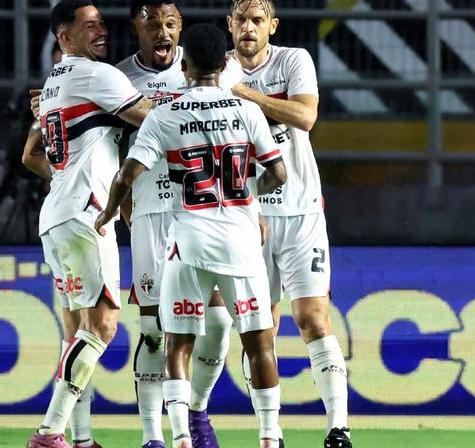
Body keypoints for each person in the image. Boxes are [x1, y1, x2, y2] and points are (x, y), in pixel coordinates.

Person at [95, 23, 287, 448]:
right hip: (241, 240)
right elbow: (278, 172)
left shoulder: (166, 114)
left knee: (177, 342)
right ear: (225, 63)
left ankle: (180, 436)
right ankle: (270, 437)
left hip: (188, 240)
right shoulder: (249, 111)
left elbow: (128, 174)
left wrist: (109, 210)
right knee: (259, 341)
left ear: (185, 66)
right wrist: (245, 196)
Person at [23, 1, 154, 448]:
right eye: (89, 26)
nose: (101, 31)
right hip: (86, 216)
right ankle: (49, 433)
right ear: (64, 37)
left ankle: (79, 440)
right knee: (102, 326)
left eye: (102, 24)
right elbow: (153, 119)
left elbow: (30, 157)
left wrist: (66, 178)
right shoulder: (98, 76)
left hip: (58, 215)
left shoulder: (53, 83)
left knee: (79, 330)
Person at [226, 1, 353, 447]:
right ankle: (271, 434)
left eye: (257, 20)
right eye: (240, 19)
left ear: (272, 26)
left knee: (314, 319)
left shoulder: (294, 60)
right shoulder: (214, 71)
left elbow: (306, 116)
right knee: (260, 329)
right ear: (229, 24)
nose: (248, 27)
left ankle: (338, 428)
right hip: (246, 217)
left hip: (300, 211)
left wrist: (247, 95)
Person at [113, 2, 239, 447]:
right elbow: (107, 146)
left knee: (221, 321)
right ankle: (152, 436)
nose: (162, 32)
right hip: (150, 213)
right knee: (152, 328)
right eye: (152, 25)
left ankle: (198, 411)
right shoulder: (118, 79)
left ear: (180, 26)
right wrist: (121, 200)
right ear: (136, 28)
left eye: (170, 23)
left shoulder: (206, 67)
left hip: (207, 214)